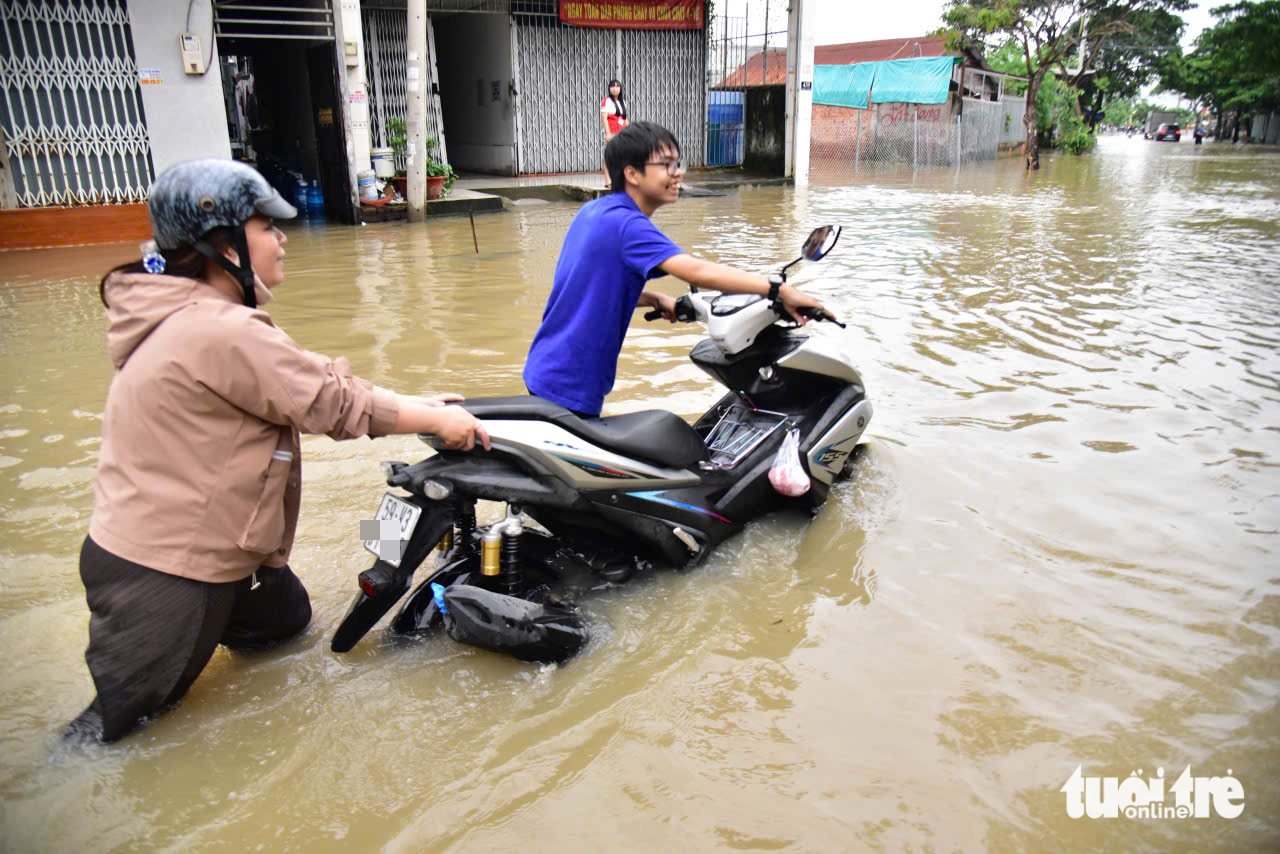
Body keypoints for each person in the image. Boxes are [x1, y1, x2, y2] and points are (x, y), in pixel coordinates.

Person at [66, 158, 490, 743]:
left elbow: (304, 382)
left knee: (284, 631)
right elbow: (329, 402)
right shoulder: (217, 329)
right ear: (225, 247)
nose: (283, 239)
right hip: (168, 571)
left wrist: (415, 404)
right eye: (267, 227)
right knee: (115, 735)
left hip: (225, 551)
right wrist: (438, 420)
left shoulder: (198, 319)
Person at [523, 121, 832, 418]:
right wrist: (779, 289)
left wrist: (653, 299)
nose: (678, 173)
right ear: (632, 173)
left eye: (677, 164)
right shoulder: (629, 226)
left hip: (546, 368)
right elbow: (695, 270)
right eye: (666, 165)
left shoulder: (595, 211)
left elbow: (590, 286)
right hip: (572, 384)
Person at [599, 79, 628, 189]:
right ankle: (608, 181)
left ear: (620, 89)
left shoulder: (622, 102)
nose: (614, 88)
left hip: (621, 133)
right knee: (609, 156)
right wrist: (608, 134)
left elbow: (624, 119)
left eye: (617, 86)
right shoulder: (606, 101)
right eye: (612, 86)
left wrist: (629, 131)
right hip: (611, 132)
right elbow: (604, 118)